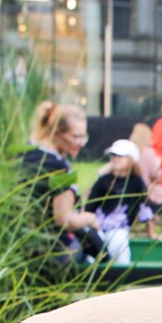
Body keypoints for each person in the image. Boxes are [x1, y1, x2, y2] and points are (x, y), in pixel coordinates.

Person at [18, 101, 101, 267]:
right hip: (48, 248)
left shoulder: (24, 152)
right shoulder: (59, 167)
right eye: (76, 137)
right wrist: (89, 219)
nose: (81, 143)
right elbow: (64, 219)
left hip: (18, 241)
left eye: (84, 136)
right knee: (96, 252)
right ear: (56, 134)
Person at [82, 138, 156, 266]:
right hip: (99, 226)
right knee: (94, 248)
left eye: (120, 156)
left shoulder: (136, 181)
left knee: (119, 244)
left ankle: (118, 273)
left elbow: (144, 207)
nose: (116, 159)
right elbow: (90, 205)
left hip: (120, 228)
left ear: (131, 159)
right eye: (114, 156)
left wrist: (151, 232)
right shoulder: (104, 180)